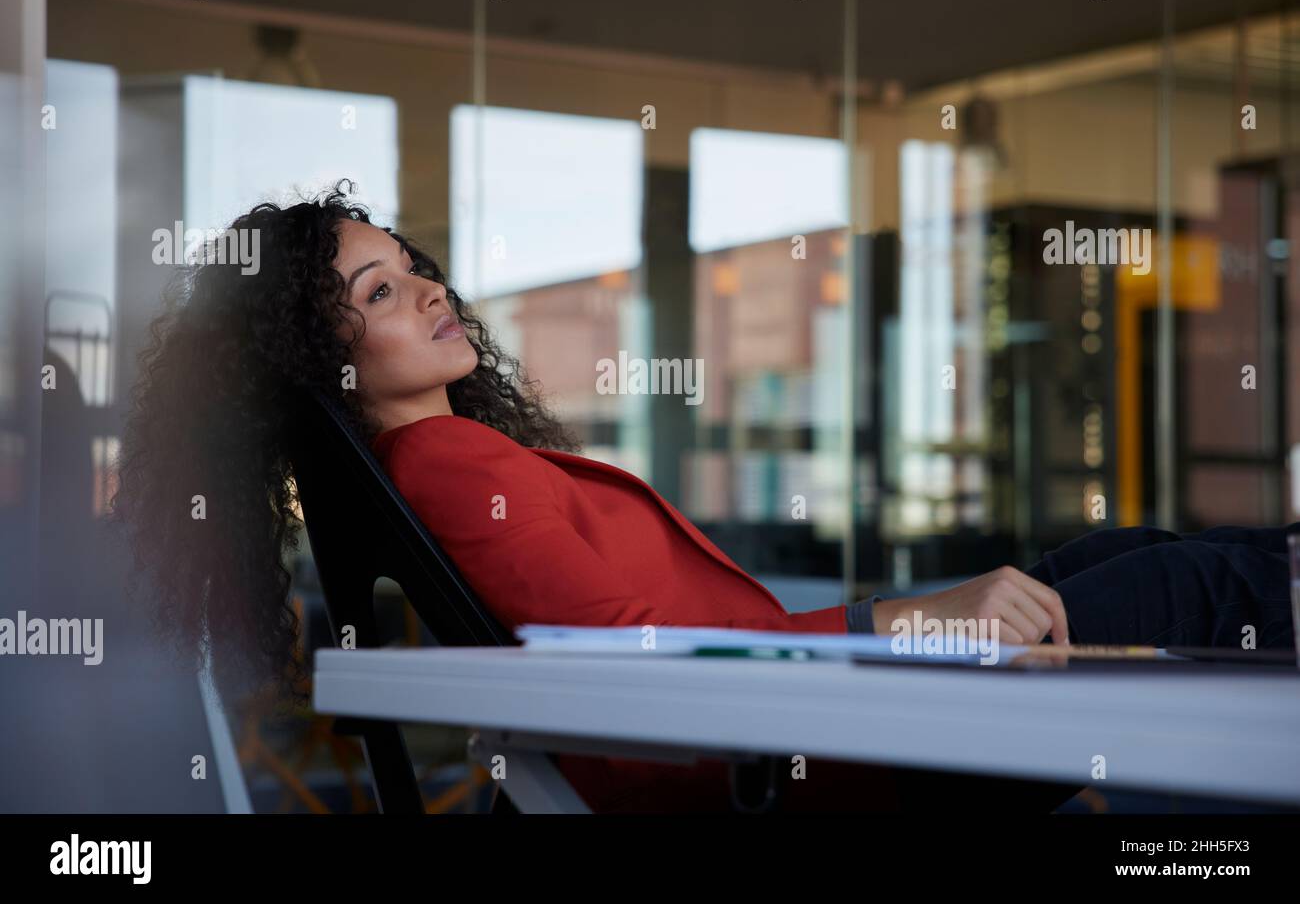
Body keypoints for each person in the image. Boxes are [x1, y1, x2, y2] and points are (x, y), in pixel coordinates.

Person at [111, 181, 1297, 814]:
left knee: (1111, 560)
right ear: (329, 362)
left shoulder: (444, 463)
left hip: (799, 732)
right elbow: (637, 660)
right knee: (1184, 584)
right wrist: (919, 620)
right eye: (378, 292)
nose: (424, 289)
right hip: (794, 757)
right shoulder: (449, 470)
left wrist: (931, 616)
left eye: (411, 264)